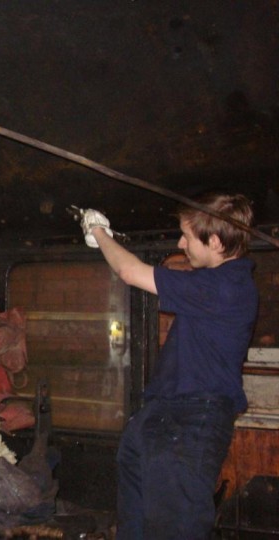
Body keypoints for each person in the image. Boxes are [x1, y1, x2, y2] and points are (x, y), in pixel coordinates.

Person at [79, 193, 258, 540]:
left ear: (217, 242)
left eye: (187, 237)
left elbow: (128, 271)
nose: (180, 244)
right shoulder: (219, 282)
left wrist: (98, 232)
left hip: (192, 421)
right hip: (163, 416)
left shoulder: (225, 287)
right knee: (135, 528)